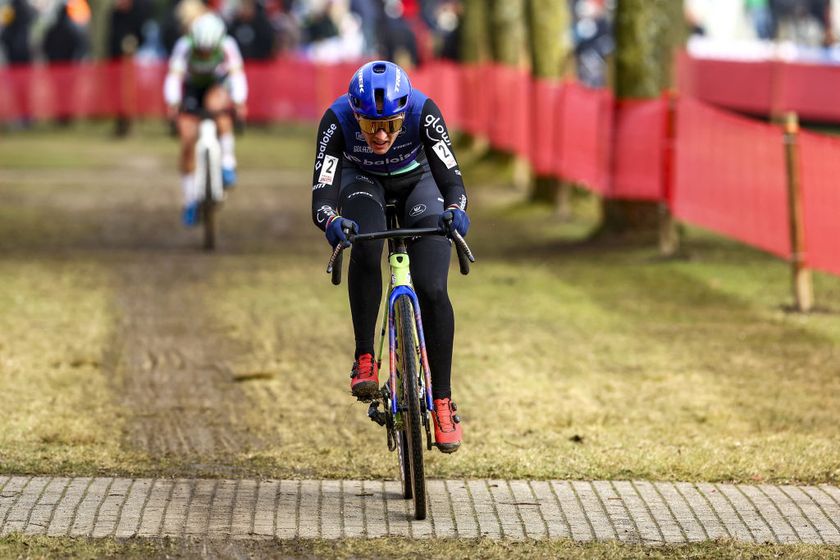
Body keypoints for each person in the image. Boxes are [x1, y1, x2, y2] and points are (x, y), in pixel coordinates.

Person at [311, 60, 469, 453]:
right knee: (364, 241)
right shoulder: (336, 119)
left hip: (419, 182)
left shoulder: (424, 112)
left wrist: (457, 211)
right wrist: (331, 220)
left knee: (433, 287)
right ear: (355, 115)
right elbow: (323, 192)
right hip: (361, 181)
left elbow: (453, 180)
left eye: (391, 126)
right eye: (369, 126)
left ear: (404, 115)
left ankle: (442, 402)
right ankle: (365, 355)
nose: (380, 135)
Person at [163, 11, 248, 226]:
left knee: (218, 110)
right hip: (192, 90)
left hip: (217, 86)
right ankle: (190, 199)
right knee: (187, 138)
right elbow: (174, 78)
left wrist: (238, 102)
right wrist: (173, 103)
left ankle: (228, 161)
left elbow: (237, 76)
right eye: (201, 51)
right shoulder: (184, 46)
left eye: (209, 51)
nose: (204, 54)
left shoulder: (228, 45)